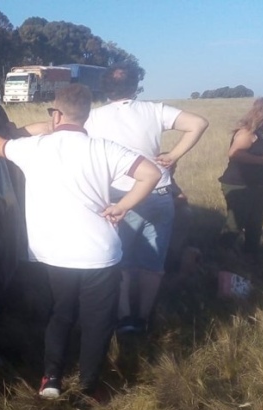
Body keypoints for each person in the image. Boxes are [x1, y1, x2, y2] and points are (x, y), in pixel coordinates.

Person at [0, 84, 161, 404]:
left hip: (52, 253)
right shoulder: (105, 148)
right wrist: (123, 206)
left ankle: (51, 379)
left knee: (60, 315)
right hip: (100, 254)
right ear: (86, 116)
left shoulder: (34, 147)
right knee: (97, 323)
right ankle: (89, 388)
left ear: (57, 114)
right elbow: (151, 173)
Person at [83, 63, 208, 334]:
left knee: (122, 261)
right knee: (153, 264)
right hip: (159, 193)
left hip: (119, 196)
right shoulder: (154, 110)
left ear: (105, 88)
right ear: (135, 86)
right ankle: (144, 317)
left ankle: (125, 318)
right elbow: (199, 123)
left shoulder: (93, 117)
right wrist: (174, 155)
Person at [218, 98, 263, 261]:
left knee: (255, 222)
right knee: (236, 222)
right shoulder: (247, 132)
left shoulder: (259, 133)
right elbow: (235, 153)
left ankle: (251, 256)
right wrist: (262, 161)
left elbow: (259, 155)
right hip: (240, 186)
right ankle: (224, 257)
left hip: (257, 186)